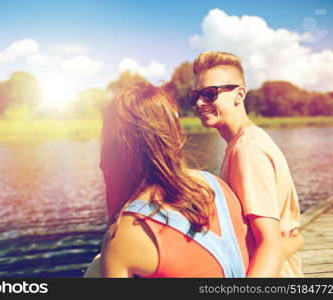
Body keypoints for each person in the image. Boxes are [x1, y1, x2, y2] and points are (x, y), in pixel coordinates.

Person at [86, 82, 250, 278]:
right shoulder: (217, 186)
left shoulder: (125, 235)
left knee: (95, 270)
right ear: (172, 132)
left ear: (116, 146)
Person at [189, 51, 304, 277]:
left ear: (239, 95)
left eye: (210, 94)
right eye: (194, 96)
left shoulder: (246, 150)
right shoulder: (245, 142)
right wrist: (296, 240)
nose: (200, 103)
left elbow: (269, 244)